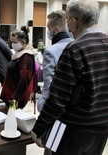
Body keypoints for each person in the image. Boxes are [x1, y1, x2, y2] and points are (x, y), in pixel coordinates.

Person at [31, 0, 108, 155]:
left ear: (73, 22)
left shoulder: (75, 49)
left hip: (70, 129)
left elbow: (58, 99)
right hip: (101, 129)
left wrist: (38, 129)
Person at [37, 10, 73, 112]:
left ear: (56, 29)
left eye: (48, 29)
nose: (48, 32)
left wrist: (41, 104)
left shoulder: (50, 52)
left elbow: (49, 86)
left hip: (53, 107)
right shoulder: (76, 46)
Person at [0, 26, 36, 109]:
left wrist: (15, 99)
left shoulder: (27, 56)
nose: (12, 44)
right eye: (11, 42)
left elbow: (24, 80)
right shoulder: (18, 54)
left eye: (14, 42)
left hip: (14, 99)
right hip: (9, 95)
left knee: (11, 119)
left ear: (23, 42)